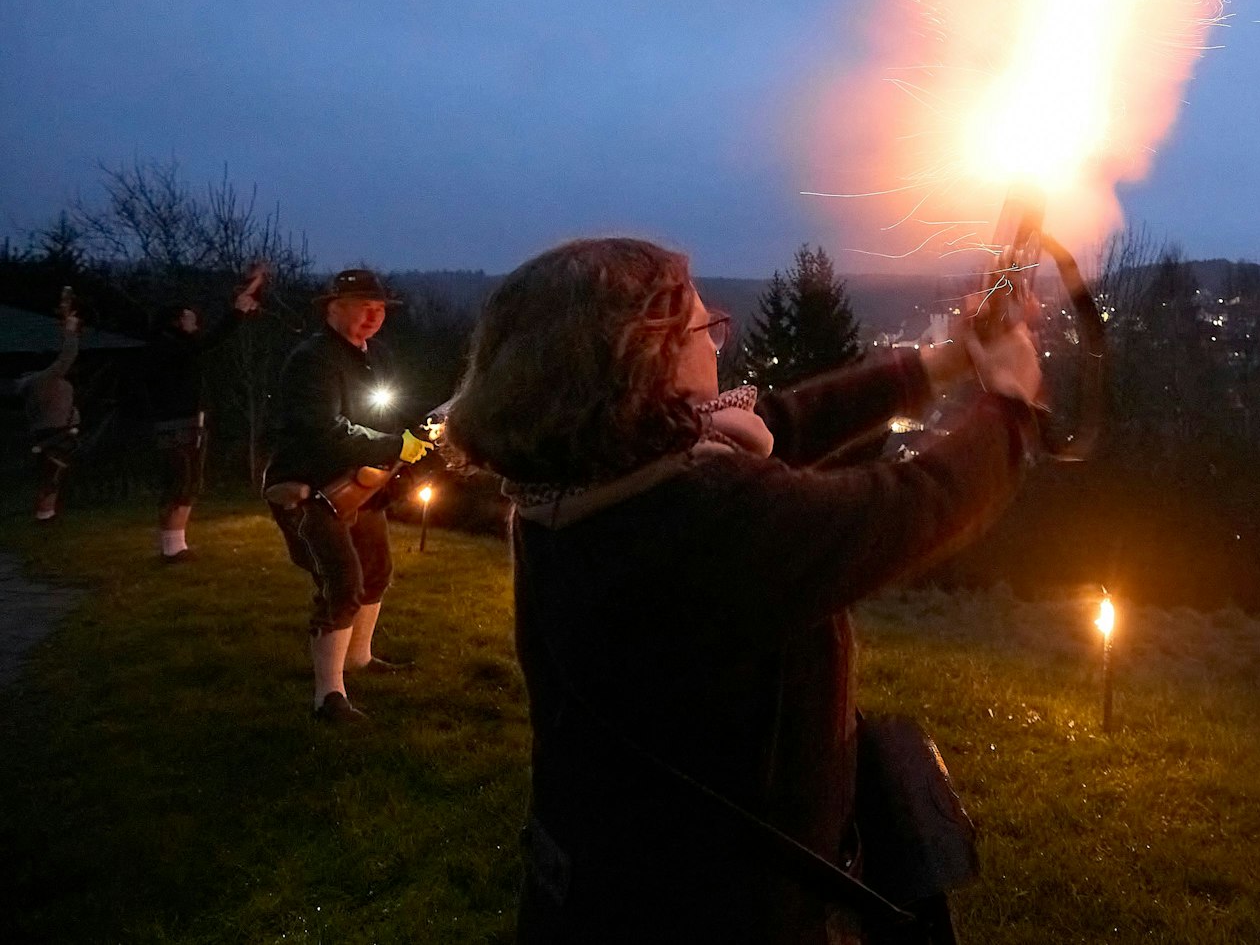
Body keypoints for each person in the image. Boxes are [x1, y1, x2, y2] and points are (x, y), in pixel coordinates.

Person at [445, 238, 1043, 944]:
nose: (718, 341)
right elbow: (911, 506)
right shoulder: (693, 520)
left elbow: (781, 425)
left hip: (602, 888)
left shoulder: (575, 479)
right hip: (708, 908)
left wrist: (936, 366)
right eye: (705, 327)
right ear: (643, 359)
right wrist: (1010, 408)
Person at [262, 269, 433, 724]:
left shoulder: (374, 356)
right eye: (363, 306)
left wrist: (405, 438)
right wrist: (395, 444)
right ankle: (328, 697)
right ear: (333, 308)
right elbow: (324, 430)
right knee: (341, 584)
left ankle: (360, 657)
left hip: (362, 485)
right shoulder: (311, 360)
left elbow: (383, 413)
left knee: (376, 572)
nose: (374, 316)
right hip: (309, 488)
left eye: (380, 308)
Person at [144, 262, 267, 562]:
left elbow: (207, 343)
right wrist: (238, 310)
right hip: (178, 424)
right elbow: (213, 340)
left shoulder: (171, 346)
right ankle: (173, 548)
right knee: (183, 483)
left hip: (178, 423)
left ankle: (171, 545)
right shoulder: (170, 347)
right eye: (189, 318)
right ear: (175, 322)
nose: (195, 323)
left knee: (180, 482)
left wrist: (247, 296)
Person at [16, 290, 82, 522]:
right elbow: (66, 357)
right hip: (53, 432)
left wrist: (65, 326)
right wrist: (71, 332)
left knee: (56, 472)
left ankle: (49, 512)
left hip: (56, 430)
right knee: (52, 472)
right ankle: (45, 514)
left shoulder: (42, 381)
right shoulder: (42, 380)